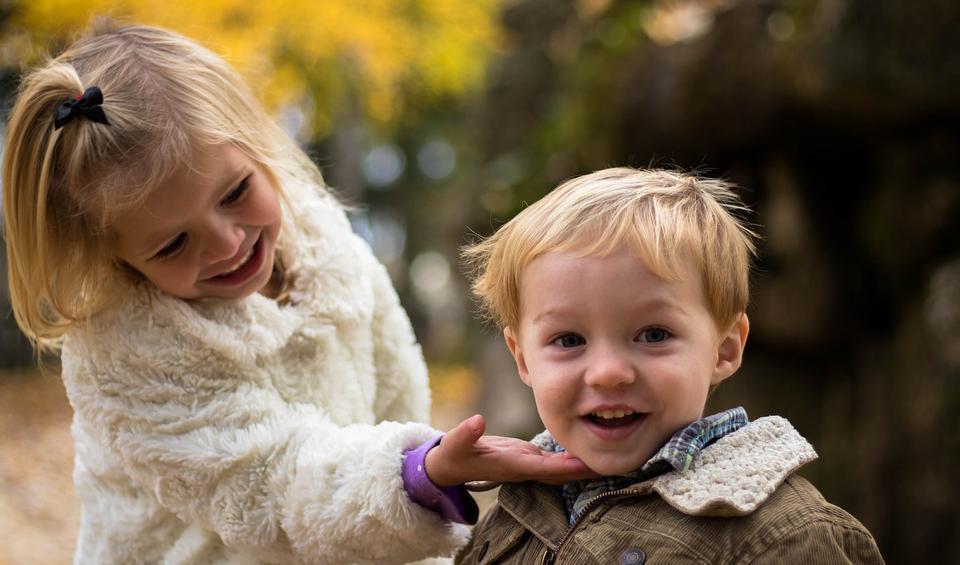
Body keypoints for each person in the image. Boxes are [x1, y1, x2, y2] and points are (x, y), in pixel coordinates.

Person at [1, 22, 592, 564]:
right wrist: (416, 476)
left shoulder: (325, 249)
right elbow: (271, 490)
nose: (227, 244)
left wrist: (423, 501)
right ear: (116, 258)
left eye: (235, 192)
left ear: (258, 146)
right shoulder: (126, 353)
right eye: (173, 244)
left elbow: (392, 395)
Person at [444, 168, 885, 563]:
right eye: (569, 340)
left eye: (653, 335)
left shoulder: (785, 536)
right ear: (523, 359)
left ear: (725, 348)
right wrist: (422, 479)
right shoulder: (513, 512)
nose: (608, 372)